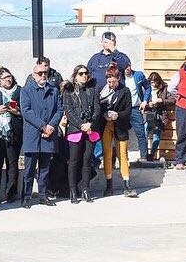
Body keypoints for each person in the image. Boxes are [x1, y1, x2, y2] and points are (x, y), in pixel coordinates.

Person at [20, 62, 63, 208]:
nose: (43, 75)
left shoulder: (54, 90)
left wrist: (51, 126)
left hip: (49, 135)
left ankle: (43, 195)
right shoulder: (26, 90)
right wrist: (43, 126)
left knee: (45, 169)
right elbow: (26, 111)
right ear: (33, 75)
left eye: (45, 73)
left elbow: (59, 110)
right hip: (33, 135)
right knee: (29, 169)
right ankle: (26, 197)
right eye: (40, 73)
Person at [62, 65, 101, 203]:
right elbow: (69, 111)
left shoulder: (92, 90)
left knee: (87, 161)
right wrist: (81, 125)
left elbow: (97, 109)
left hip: (90, 129)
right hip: (75, 130)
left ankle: (85, 190)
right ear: (75, 75)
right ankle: (73, 190)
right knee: (73, 161)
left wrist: (90, 124)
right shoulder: (68, 91)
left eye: (86, 73)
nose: (84, 76)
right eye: (81, 73)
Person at [98, 66, 137, 198]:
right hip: (106, 125)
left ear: (118, 79)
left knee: (123, 155)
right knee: (107, 154)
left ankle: (127, 184)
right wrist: (104, 114)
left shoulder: (125, 91)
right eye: (109, 82)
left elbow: (128, 111)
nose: (111, 84)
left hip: (120, 125)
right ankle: (109, 184)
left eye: (113, 81)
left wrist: (117, 115)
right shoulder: (102, 91)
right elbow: (98, 108)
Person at [0, 67, 23, 204]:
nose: (8, 79)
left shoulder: (20, 91)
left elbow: (25, 110)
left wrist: (16, 112)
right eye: (4, 78)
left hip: (14, 132)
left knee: (12, 164)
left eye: (9, 76)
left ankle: (11, 192)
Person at [140, 73, 175, 161]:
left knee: (156, 136)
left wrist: (161, 100)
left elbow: (173, 100)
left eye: (156, 82)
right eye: (152, 82)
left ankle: (152, 154)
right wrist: (148, 104)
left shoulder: (164, 88)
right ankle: (144, 154)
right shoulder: (146, 89)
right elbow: (141, 101)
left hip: (159, 115)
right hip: (147, 114)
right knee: (144, 133)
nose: (154, 84)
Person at [123, 63, 149, 161]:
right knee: (122, 134)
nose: (127, 68)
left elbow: (148, 87)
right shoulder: (119, 77)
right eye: (125, 67)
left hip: (135, 108)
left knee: (141, 133)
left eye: (128, 66)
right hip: (123, 109)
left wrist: (145, 101)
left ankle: (143, 157)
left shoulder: (138, 75)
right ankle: (124, 158)